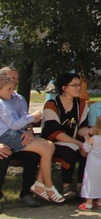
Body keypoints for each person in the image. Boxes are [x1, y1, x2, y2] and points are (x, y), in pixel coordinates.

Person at [0, 71, 64, 204]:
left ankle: (36, 186)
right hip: (7, 138)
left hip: (16, 136)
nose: (13, 89)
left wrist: (29, 130)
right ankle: (48, 187)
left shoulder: (18, 99)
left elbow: (22, 123)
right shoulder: (2, 104)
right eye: (9, 87)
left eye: (14, 85)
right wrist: (33, 116)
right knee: (44, 150)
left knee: (49, 146)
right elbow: (14, 123)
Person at [42, 72, 89, 199]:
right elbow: (56, 134)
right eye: (75, 85)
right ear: (64, 88)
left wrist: (88, 135)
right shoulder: (51, 105)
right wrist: (79, 144)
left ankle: (81, 186)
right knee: (70, 150)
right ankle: (66, 187)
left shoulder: (81, 104)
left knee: (88, 149)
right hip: (52, 144)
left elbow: (82, 128)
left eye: (79, 85)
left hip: (74, 141)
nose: (79, 88)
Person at [0, 67, 42, 209]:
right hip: (2, 141)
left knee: (32, 154)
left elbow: (25, 120)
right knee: (3, 154)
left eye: (17, 78)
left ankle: (26, 194)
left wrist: (29, 131)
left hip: (19, 137)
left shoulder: (19, 99)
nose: (17, 82)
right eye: (13, 79)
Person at [79, 114, 101, 211]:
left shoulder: (94, 138)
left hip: (93, 166)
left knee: (91, 182)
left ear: (97, 127)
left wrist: (86, 139)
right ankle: (100, 201)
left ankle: (88, 203)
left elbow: (86, 148)